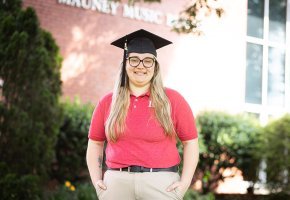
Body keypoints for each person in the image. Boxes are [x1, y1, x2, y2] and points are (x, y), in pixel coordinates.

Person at [86, 29, 199, 200]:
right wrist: (96, 181)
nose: (141, 66)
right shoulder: (108, 102)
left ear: (155, 66)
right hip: (117, 185)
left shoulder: (173, 100)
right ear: (125, 63)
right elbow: (95, 144)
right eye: (134, 59)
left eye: (148, 61)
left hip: (162, 185)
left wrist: (184, 183)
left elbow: (191, 143)